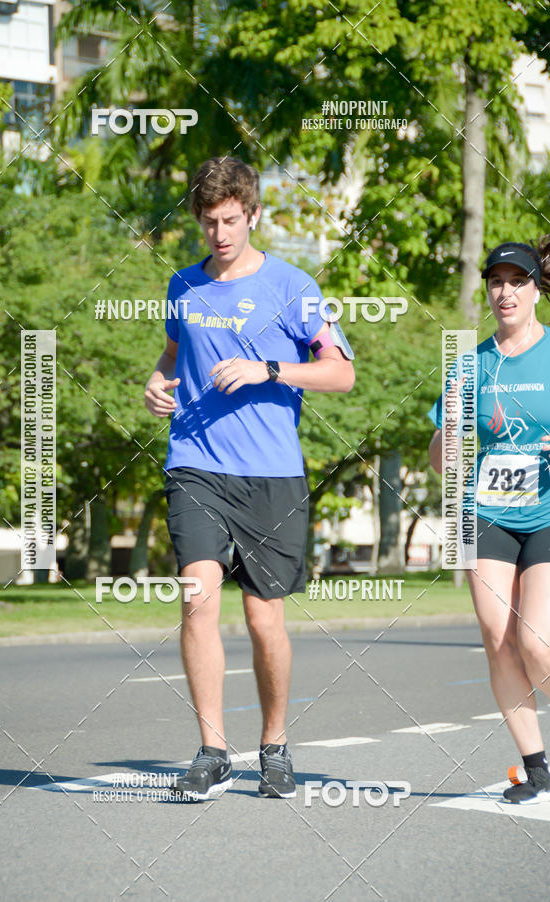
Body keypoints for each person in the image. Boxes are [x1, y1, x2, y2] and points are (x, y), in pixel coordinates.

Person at [144, 157, 355, 800]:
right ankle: (212, 748)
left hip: (271, 474)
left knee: (265, 620)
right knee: (197, 596)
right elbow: (174, 353)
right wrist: (157, 380)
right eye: (209, 222)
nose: (220, 233)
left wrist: (269, 369)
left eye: (231, 220)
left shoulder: (293, 287)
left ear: (254, 214)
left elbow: (341, 373)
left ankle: (274, 744)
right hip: (196, 464)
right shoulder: (183, 285)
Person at [429, 236, 550, 803]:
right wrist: (447, 434)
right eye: (496, 281)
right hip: (485, 513)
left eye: (517, 281)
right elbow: (440, 459)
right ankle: (536, 767)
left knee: (536, 642)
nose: (505, 291)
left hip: (547, 513)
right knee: (497, 638)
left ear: (536, 290)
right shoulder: (468, 364)